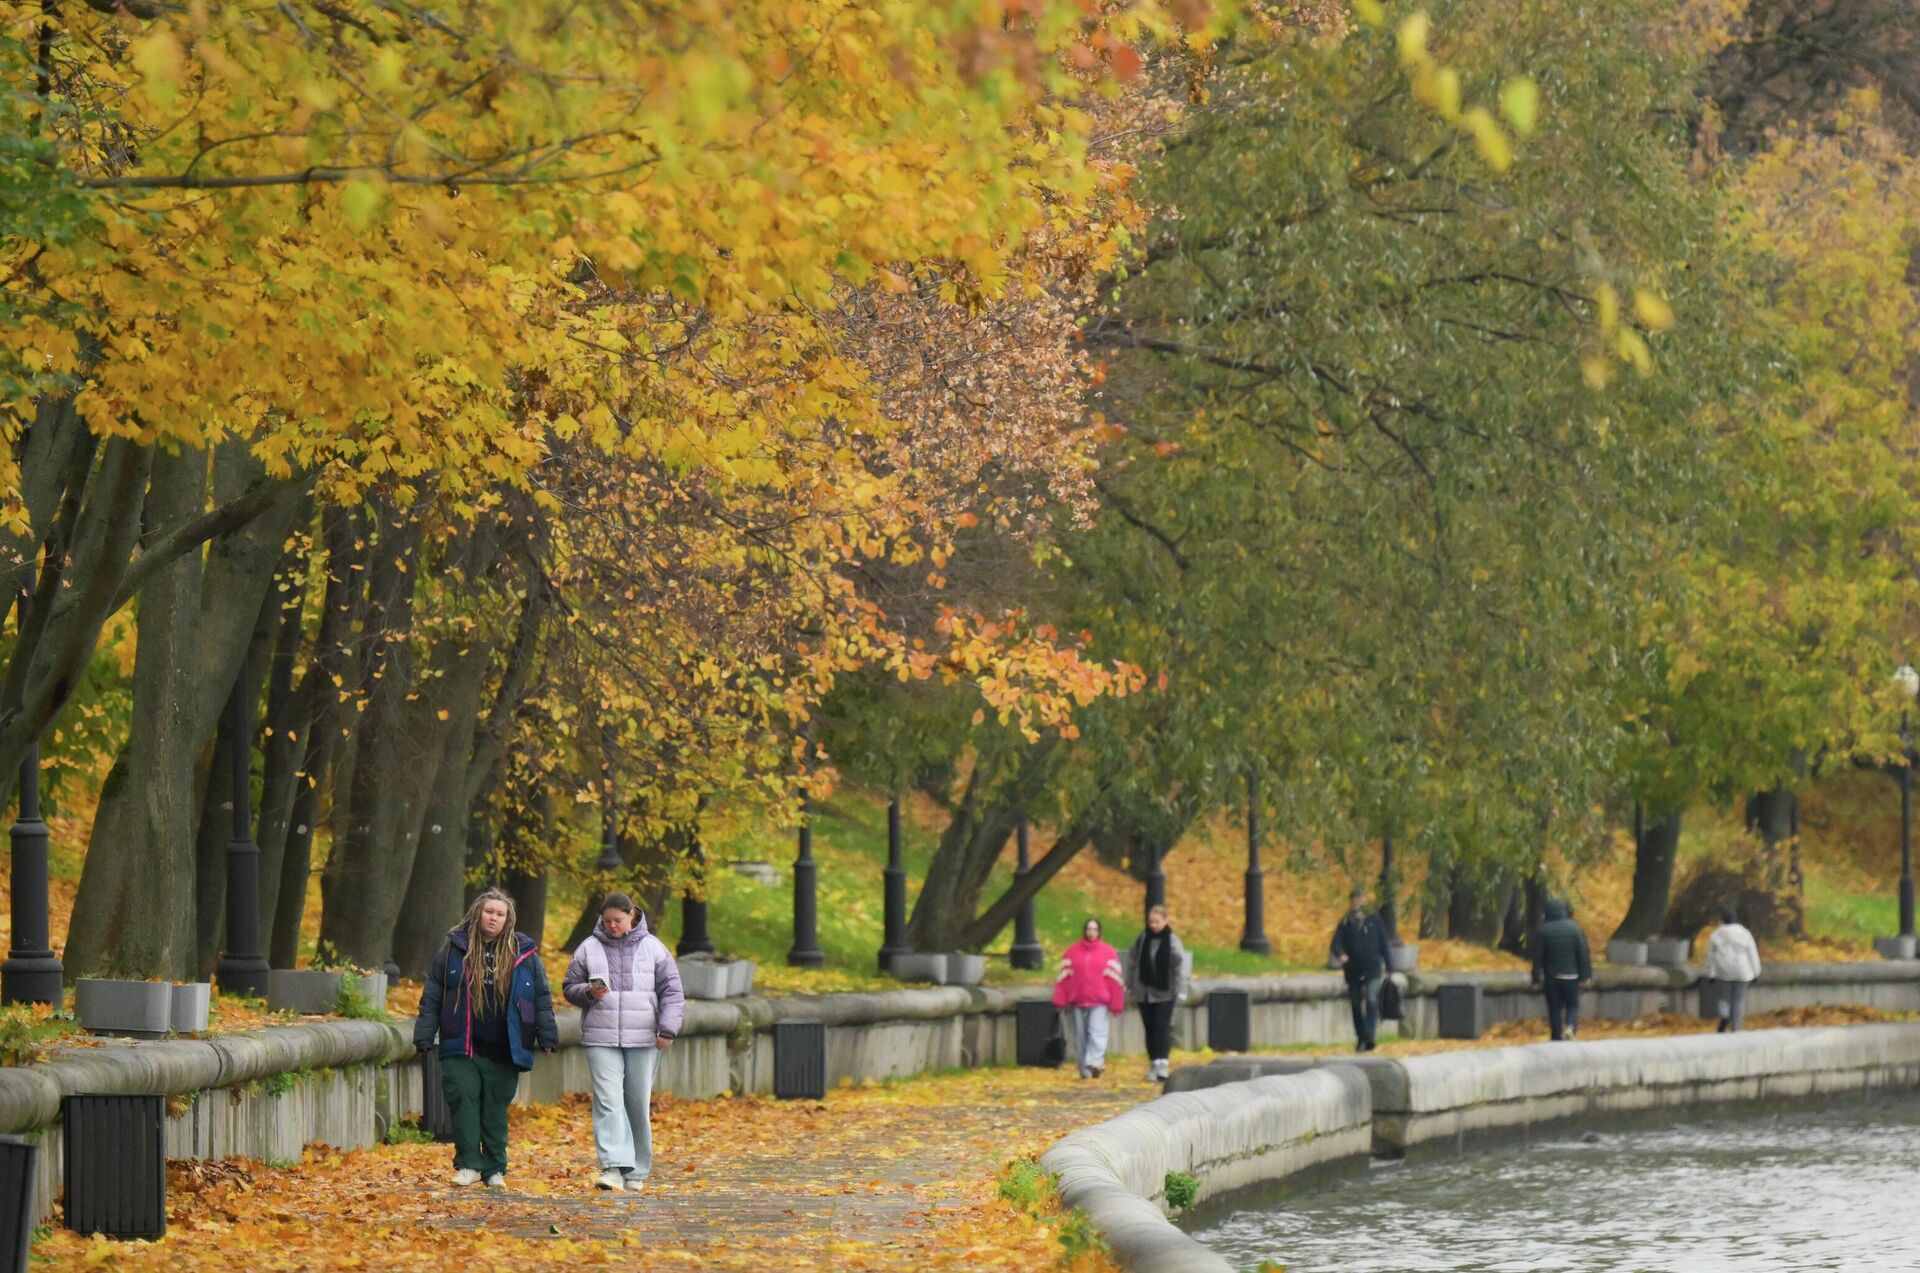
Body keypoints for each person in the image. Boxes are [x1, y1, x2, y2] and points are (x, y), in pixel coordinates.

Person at [414, 888, 558, 1188]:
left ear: (508, 920)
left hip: (505, 1046)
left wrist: (548, 1036)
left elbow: (541, 997)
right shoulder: (454, 949)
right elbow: (432, 995)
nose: (493, 917)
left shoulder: (524, 953)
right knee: (463, 1102)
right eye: (489, 911)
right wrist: (424, 1035)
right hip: (462, 1043)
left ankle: (494, 1167)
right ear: (478, 913)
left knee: (494, 1109)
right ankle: (469, 1164)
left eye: (500, 914)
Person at [564, 892, 685, 1193]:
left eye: (617, 920)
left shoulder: (653, 948)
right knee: (607, 1101)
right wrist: (588, 993)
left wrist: (667, 1029)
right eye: (607, 921)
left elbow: (672, 991)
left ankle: (637, 1170)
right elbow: (569, 987)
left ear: (632, 915)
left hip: (643, 1037)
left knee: (635, 1102)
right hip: (600, 1036)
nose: (612, 926)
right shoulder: (588, 948)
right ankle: (613, 1166)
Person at [1053, 918, 1126, 1079]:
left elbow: (1115, 980)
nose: (1091, 933)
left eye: (1094, 929)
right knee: (1079, 1036)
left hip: (1099, 1001)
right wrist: (1060, 999)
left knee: (1097, 1032)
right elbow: (1063, 977)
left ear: (1099, 932)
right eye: (1088, 929)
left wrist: (1116, 1003)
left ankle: (1095, 1062)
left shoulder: (1108, 953)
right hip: (1077, 1000)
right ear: (1084, 931)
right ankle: (1083, 1068)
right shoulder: (1072, 952)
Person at [1124, 904, 1189, 1082]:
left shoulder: (1172, 941)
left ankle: (1163, 1063)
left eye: (1157, 921)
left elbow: (1179, 966)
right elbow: (1133, 962)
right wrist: (1129, 984)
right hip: (1144, 992)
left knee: (1162, 1027)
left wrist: (1181, 989)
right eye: (1151, 921)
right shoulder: (1143, 938)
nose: (1153, 925)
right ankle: (1153, 1061)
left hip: (1165, 992)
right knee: (1150, 1028)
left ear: (1165, 921)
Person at [1328, 886, 1391, 1052]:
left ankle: (1369, 1035)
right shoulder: (1346, 922)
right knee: (1356, 1004)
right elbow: (1335, 944)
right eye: (1354, 899)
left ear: (1364, 900)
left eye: (1359, 898)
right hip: (1353, 970)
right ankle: (1361, 1037)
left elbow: (1384, 944)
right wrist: (1341, 954)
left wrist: (1390, 967)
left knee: (1371, 999)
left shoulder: (1374, 920)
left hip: (1372, 968)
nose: (1357, 902)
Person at [1531, 898, 1592, 1041]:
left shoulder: (1543, 930)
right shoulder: (1575, 929)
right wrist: (1585, 976)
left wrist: (1536, 979)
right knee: (1572, 1005)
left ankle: (1556, 1036)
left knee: (1555, 1009)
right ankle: (1570, 1026)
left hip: (1552, 978)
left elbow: (1537, 958)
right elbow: (1583, 954)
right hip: (1572, 977)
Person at [1705, 905, 1762, 1032]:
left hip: (1723, 971)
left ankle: (1724, 1015)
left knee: (1724, 997)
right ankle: (1736, 1027)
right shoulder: (1745, 933)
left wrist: (1711, 973)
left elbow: (1710, 956)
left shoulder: (1716, 934)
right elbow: (1752, 953)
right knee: (1739, 1000)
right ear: (1735, 919)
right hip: (1743, 971)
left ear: (1722, 920)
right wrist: (1756, 972)